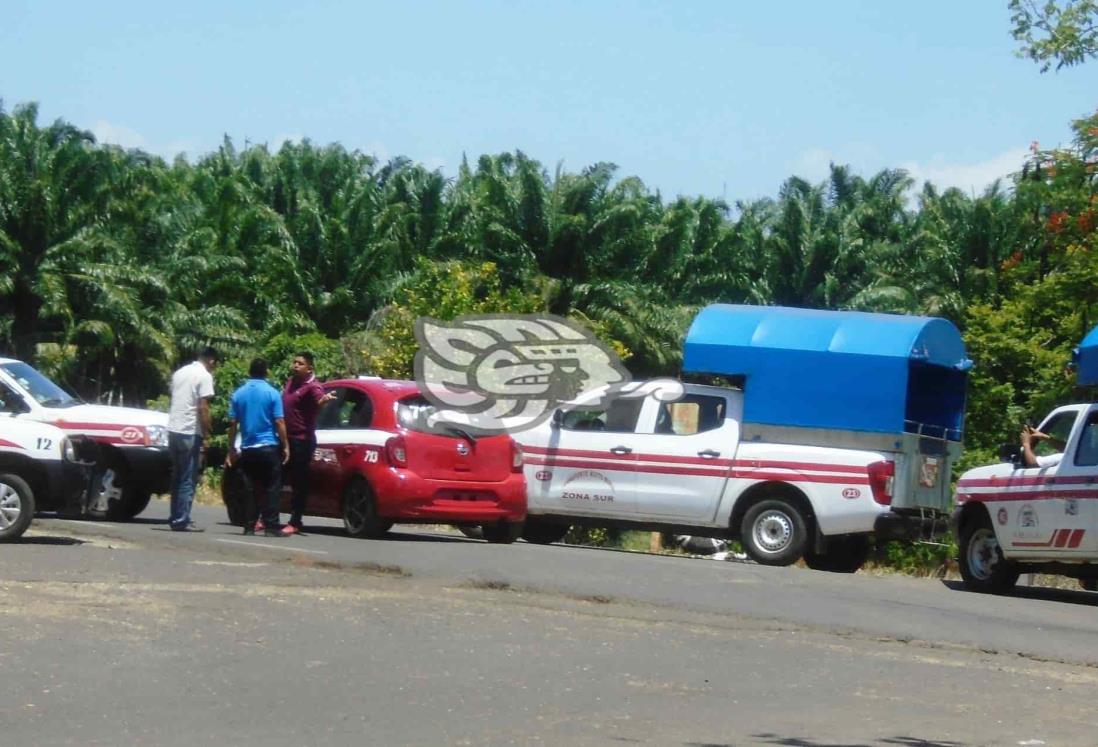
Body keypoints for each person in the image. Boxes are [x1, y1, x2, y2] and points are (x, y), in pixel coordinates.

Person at [227, 358, 290, 537]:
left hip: (248, 448)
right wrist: (285, 445)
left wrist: (231, 448)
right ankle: (271, 526)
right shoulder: (272, 393)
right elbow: (279, 421)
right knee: (272, 487)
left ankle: (249, 525)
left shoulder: (238, 394)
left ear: (250, 371)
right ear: (266, 372)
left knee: (250, 488)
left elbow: (233, 423)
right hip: (268, 446)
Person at [280, 351, 333, 535]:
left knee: (298, 482)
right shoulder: (290, 382)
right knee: (276, 478)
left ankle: (295, 521)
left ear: (309, 368)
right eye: (294, 362)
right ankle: (267, 517)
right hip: (285, 438)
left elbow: (319, 398)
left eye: (300, 363)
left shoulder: (313, 386)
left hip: (301, 440)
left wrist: (323, 401)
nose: (295, 366)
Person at [167, 346, 219, 532]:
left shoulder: (180, 372)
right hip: (189, 430)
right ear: (211, 361)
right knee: (188, 477)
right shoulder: (204, 375)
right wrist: (206, 433)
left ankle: (175, 515)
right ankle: (182, 519)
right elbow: (203, 407)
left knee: (177, 476)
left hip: (173, 428)